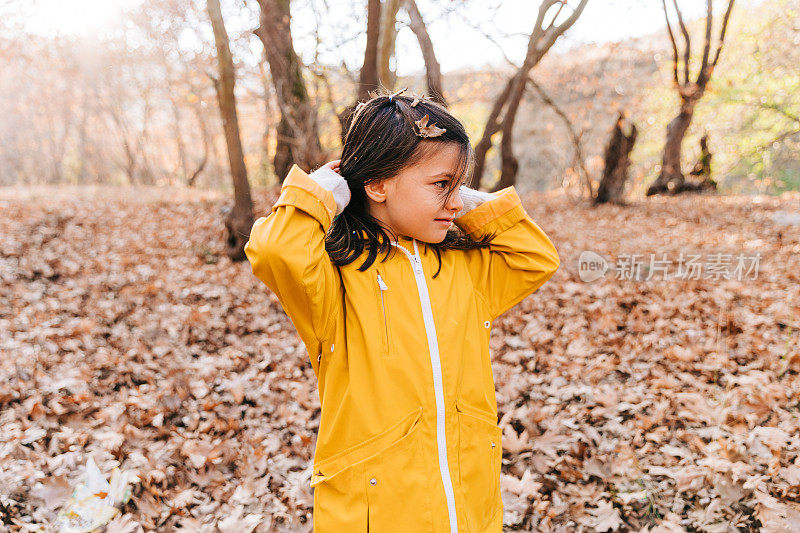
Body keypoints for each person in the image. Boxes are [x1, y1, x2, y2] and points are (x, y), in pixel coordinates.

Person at [244, 87, 560, 533]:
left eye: (458, 186)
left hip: (469, 503)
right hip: (378, 511)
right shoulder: (335, 282)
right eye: (440, 185)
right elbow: (276, 250)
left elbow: (535, 257)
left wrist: (460, 200)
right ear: (376, 184)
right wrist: (325, 189)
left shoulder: (463, 268)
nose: (453, 200)